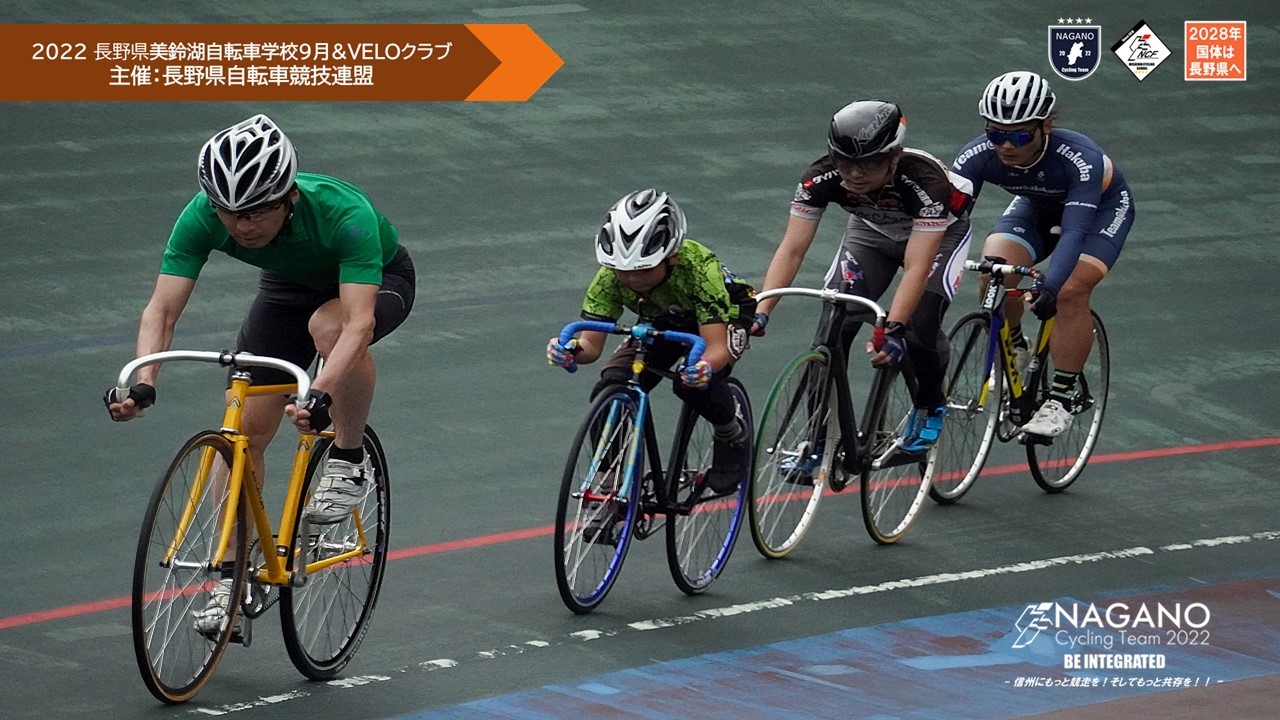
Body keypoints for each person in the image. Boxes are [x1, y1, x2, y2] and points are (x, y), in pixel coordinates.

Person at [104, 113, 416, 634]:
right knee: (243, 435)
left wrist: (320, 393)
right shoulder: (201, 215)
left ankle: (349, 458)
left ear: (288, 197)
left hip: (375, 280)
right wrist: (144, 381)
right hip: (288, 288)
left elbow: (359, 324)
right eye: (229, 213)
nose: (242, 226)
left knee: (330, 328)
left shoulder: (344, 213)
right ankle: (231, 578)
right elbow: (161, 310)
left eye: (256, 212)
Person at [754, 100, 974, 453]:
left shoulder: (925, 182)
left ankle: (930, 403)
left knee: (918, 328)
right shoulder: (820, 177)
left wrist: (894, 329)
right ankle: (817, 441)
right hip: (872, 233)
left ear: (895, 156)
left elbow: (917, 267)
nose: (855, 174)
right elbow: (792, 248)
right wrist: (762, 309)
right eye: (844, 162)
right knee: (831, 330)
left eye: (870, 163)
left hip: (940, 235)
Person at [952, 71, 1134, 437]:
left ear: (1045, 126)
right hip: (1037, 206)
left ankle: (1061, 398)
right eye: (996, 134)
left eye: (1019, 135)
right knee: (994, 272)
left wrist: (1050, 287)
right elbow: (947, 220)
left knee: (1069, 291)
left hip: (1098, 213)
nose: (1006, 146)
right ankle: (1017, 346)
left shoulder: (1080, 158)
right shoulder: (976, 156)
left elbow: (1075, 232)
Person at [546, 189, 756, 495]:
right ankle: (607, 484)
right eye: (623, 271)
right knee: (612, 382)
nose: (633, 279)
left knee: (690, 383)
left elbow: (716, 348)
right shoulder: (608, 278)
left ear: (672, 258)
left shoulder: (699, 270)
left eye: (644, 269)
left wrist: (701, 369)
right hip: (666, 317)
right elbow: (590, 347)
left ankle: (731, 432)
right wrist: (569, 351)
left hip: (725, 315)